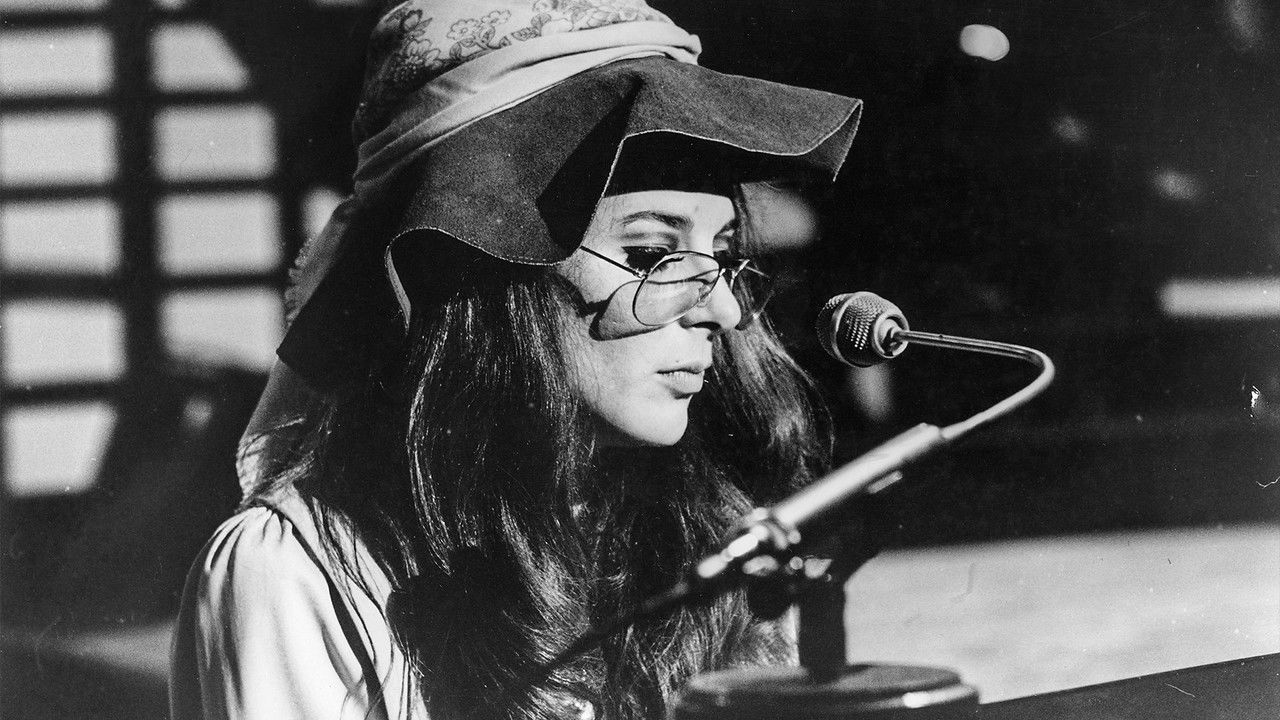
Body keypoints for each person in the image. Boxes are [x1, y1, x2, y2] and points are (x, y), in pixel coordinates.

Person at [169, 1, 862, 719]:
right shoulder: (298, 572)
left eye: (721, 255)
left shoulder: (715, 539)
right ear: (489, 266)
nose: (721, 309)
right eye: (651, 255)